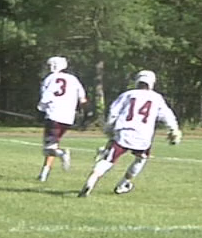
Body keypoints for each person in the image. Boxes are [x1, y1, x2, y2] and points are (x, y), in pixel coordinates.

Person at [78, 69, 182, 197]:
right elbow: (167, 116)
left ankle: (92, 180)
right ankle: (124, 183)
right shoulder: (156, 98)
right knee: (141, 158)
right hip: (143, 136)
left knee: (109, 159)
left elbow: (113, 112)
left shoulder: (127, 94)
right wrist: (174, 129)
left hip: (124, 132)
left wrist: (109, 128)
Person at [37, 56, 88, 181]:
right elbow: (83, 99)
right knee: (53, 145)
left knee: (49, 148)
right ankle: (44, 174)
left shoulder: (50, 78)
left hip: (53, 115)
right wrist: (86, 116)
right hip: (68, 118)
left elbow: (46, 96)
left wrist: (39, 111)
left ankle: (62, 154)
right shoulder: (73, 79)